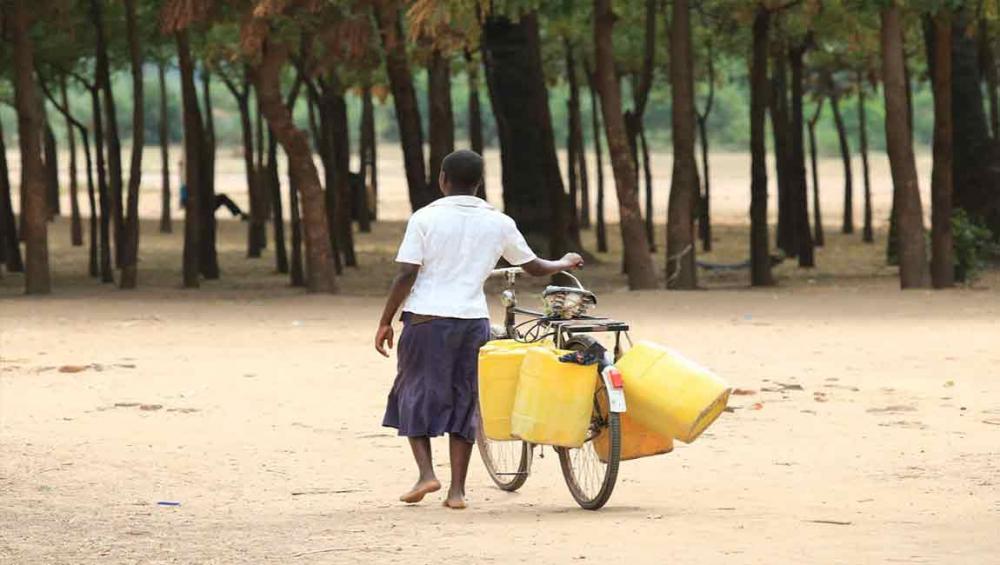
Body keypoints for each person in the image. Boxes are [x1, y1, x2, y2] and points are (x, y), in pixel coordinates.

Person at [374, 149, 584, 510]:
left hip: (426, 320)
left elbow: (406, 273)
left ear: (442, 179)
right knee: (464, 398)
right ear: (479, 183)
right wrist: (563, 261)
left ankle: (426, 473)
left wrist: (385, 320)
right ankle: (457, 491)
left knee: (414, 392)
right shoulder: (498, 221)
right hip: (472, 322)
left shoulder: (425, 218)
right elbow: (533, 266)